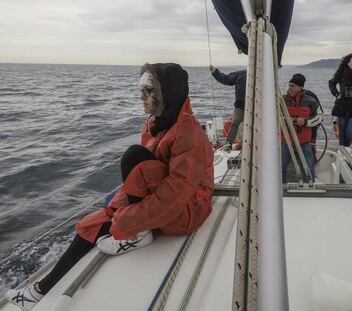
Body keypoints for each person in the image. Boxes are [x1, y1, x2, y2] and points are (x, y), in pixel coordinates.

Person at [6, 63, 214, 310]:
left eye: (148, 91)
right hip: (165, 202)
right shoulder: (156, 123)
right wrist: (122, 207)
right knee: (91, 223)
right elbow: (149, 178)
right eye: (142, 90)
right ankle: (39, 291)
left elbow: (176, 192)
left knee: (132, 162)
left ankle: (139, 233)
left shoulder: (188, 133)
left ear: (167, 94)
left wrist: (129, 220)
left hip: (187, 210)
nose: (141, 97)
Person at [282, 74, 322, 183]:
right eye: (289, 85)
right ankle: (281, 187)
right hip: (286, 141)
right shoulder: (281, 101)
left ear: (300, 87)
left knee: (308, 166)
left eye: (293, 86)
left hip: (304, 141)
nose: (289, 88)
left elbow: (319, 117)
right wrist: (285, 119)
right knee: (281, 166)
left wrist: (305, 122)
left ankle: (309, 186)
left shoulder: (311, 101)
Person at [209, 65, 246, 151]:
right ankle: (228, 143)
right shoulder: (241, 74)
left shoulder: (262, 77)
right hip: (241, 106)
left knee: (236, 123)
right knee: (235, 123)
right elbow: (225, 78)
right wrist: (215, 71)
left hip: (255, 106)